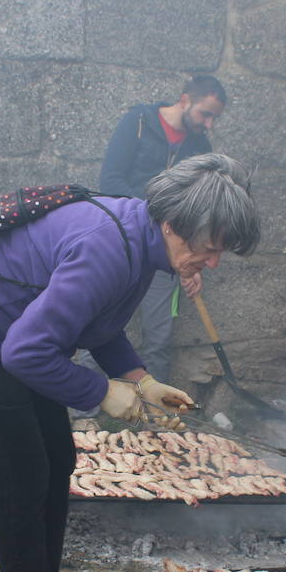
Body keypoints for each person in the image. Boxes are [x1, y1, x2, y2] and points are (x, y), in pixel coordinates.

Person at [0, 153, 259, 572]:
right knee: (22, 475)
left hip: (19, 335)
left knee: (56, 461)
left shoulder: (140, 240)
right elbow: (25, 353)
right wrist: (102, 392)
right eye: (209, 248)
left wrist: (142, 381)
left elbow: (99, 326)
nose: (213, 263)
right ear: (174, 224)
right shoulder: (109, 248)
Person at [70, 76, 229, 432]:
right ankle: (84, 417)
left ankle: (150, 416)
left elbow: (199, 210)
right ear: (185, 99)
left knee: (158, 338)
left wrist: (193, 258)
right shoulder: (138, 123)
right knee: (94, 327)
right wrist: (161, 223)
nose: (209, 125)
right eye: (205, 114)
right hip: (120, 244)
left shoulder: (199, 145)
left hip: (169, 254)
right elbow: (111, 180)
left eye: (214, 118)